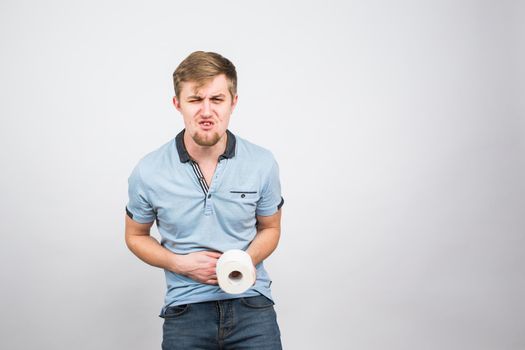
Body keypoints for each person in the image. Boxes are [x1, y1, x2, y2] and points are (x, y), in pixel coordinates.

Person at [125, 51, 284, 349]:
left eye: (217, 99)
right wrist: (179, 264)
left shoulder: (262, 163)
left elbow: (271, 228)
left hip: (251, 303)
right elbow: (135, 235)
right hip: (185, 309)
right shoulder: (148, 171)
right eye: (195, 100)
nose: (206, 111)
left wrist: (244, 262)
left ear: (233, 103)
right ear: (177, 104)